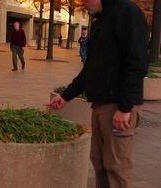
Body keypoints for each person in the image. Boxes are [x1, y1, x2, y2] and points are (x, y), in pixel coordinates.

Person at [47, 0, 148, 187]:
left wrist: (125, 107)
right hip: (99, 106)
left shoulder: (128, 12)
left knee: (116, 168)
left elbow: (137, 63)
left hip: (118, 107)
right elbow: (90, 69)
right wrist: (66, 96)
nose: (83, 4)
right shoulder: (100, 21)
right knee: (99, 164)